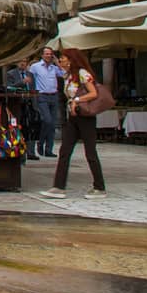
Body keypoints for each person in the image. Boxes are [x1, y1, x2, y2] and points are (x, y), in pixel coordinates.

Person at [40, 48, 107, 199]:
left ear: (71, 60)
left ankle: (99, 187)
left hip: (85, 117)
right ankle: (58, 187)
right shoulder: (68, 76)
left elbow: (93, 93)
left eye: (63, 58)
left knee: (90, 152)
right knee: (65, 151)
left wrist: (76, 100)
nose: (61, 60)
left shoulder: (83, 74)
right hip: (73, 117)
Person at [27, 47, 63, 157]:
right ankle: (40, 142)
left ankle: (48, 149)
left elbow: (64, 74)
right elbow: (29, 78)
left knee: (52, 124)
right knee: (46, 120)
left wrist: (57, 62)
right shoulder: (36, 66)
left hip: (54, 95)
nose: (48, 56)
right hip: (42, 95)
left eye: (50, 54)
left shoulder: (54, 68)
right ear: (42, 55)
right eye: (46, 54)